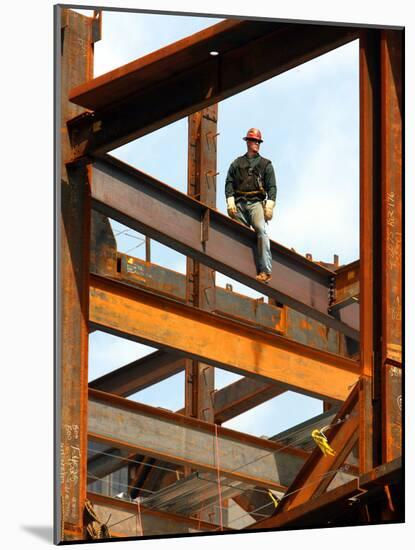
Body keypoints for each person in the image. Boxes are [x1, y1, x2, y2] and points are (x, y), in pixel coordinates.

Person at [225, 128, 277, 283]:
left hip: (255, 203)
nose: (257, 144)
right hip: (240, 204)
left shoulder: (265, 164)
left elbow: (272, 187)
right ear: (248, 142)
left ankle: (265, 271)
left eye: (258, 142)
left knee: (261, 231)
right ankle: (239, 261)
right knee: (238, 231)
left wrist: (269, 204)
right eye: (254, 141)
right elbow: (229, 182)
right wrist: (230, 200)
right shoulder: (237, 164)